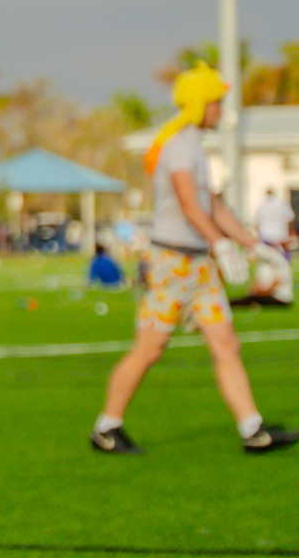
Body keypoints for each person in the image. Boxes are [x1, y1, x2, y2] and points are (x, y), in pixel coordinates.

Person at [91, 64, 297, 454]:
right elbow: (189, 204)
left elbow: (212, 204)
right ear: (200, 103)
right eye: (216, 101)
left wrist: (252, 244)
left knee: (226, 344)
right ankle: (106, 427)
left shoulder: (194, 146)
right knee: (150, 349)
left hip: (199, 266)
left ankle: (252, 429)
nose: (220, 109)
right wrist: (221, 244)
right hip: (171, 264)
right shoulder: (180, 147)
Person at [230, 241, 294, 310]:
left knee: (253, 298)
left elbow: (275, 285)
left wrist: (261, 292)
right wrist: (255, 290)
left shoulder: (281, 264)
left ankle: (234, 303)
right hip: (266, 295)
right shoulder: (263, 265)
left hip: (280, 298)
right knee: (252, 297)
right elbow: (258, 283)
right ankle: (234, 302)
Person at [255, 187, 295, 252]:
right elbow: (290, 218)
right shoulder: (282, 205)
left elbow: (257, 222)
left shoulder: (261, 206)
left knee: (267, 254)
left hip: (265, 235)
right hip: (280, 235)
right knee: (281, 254)